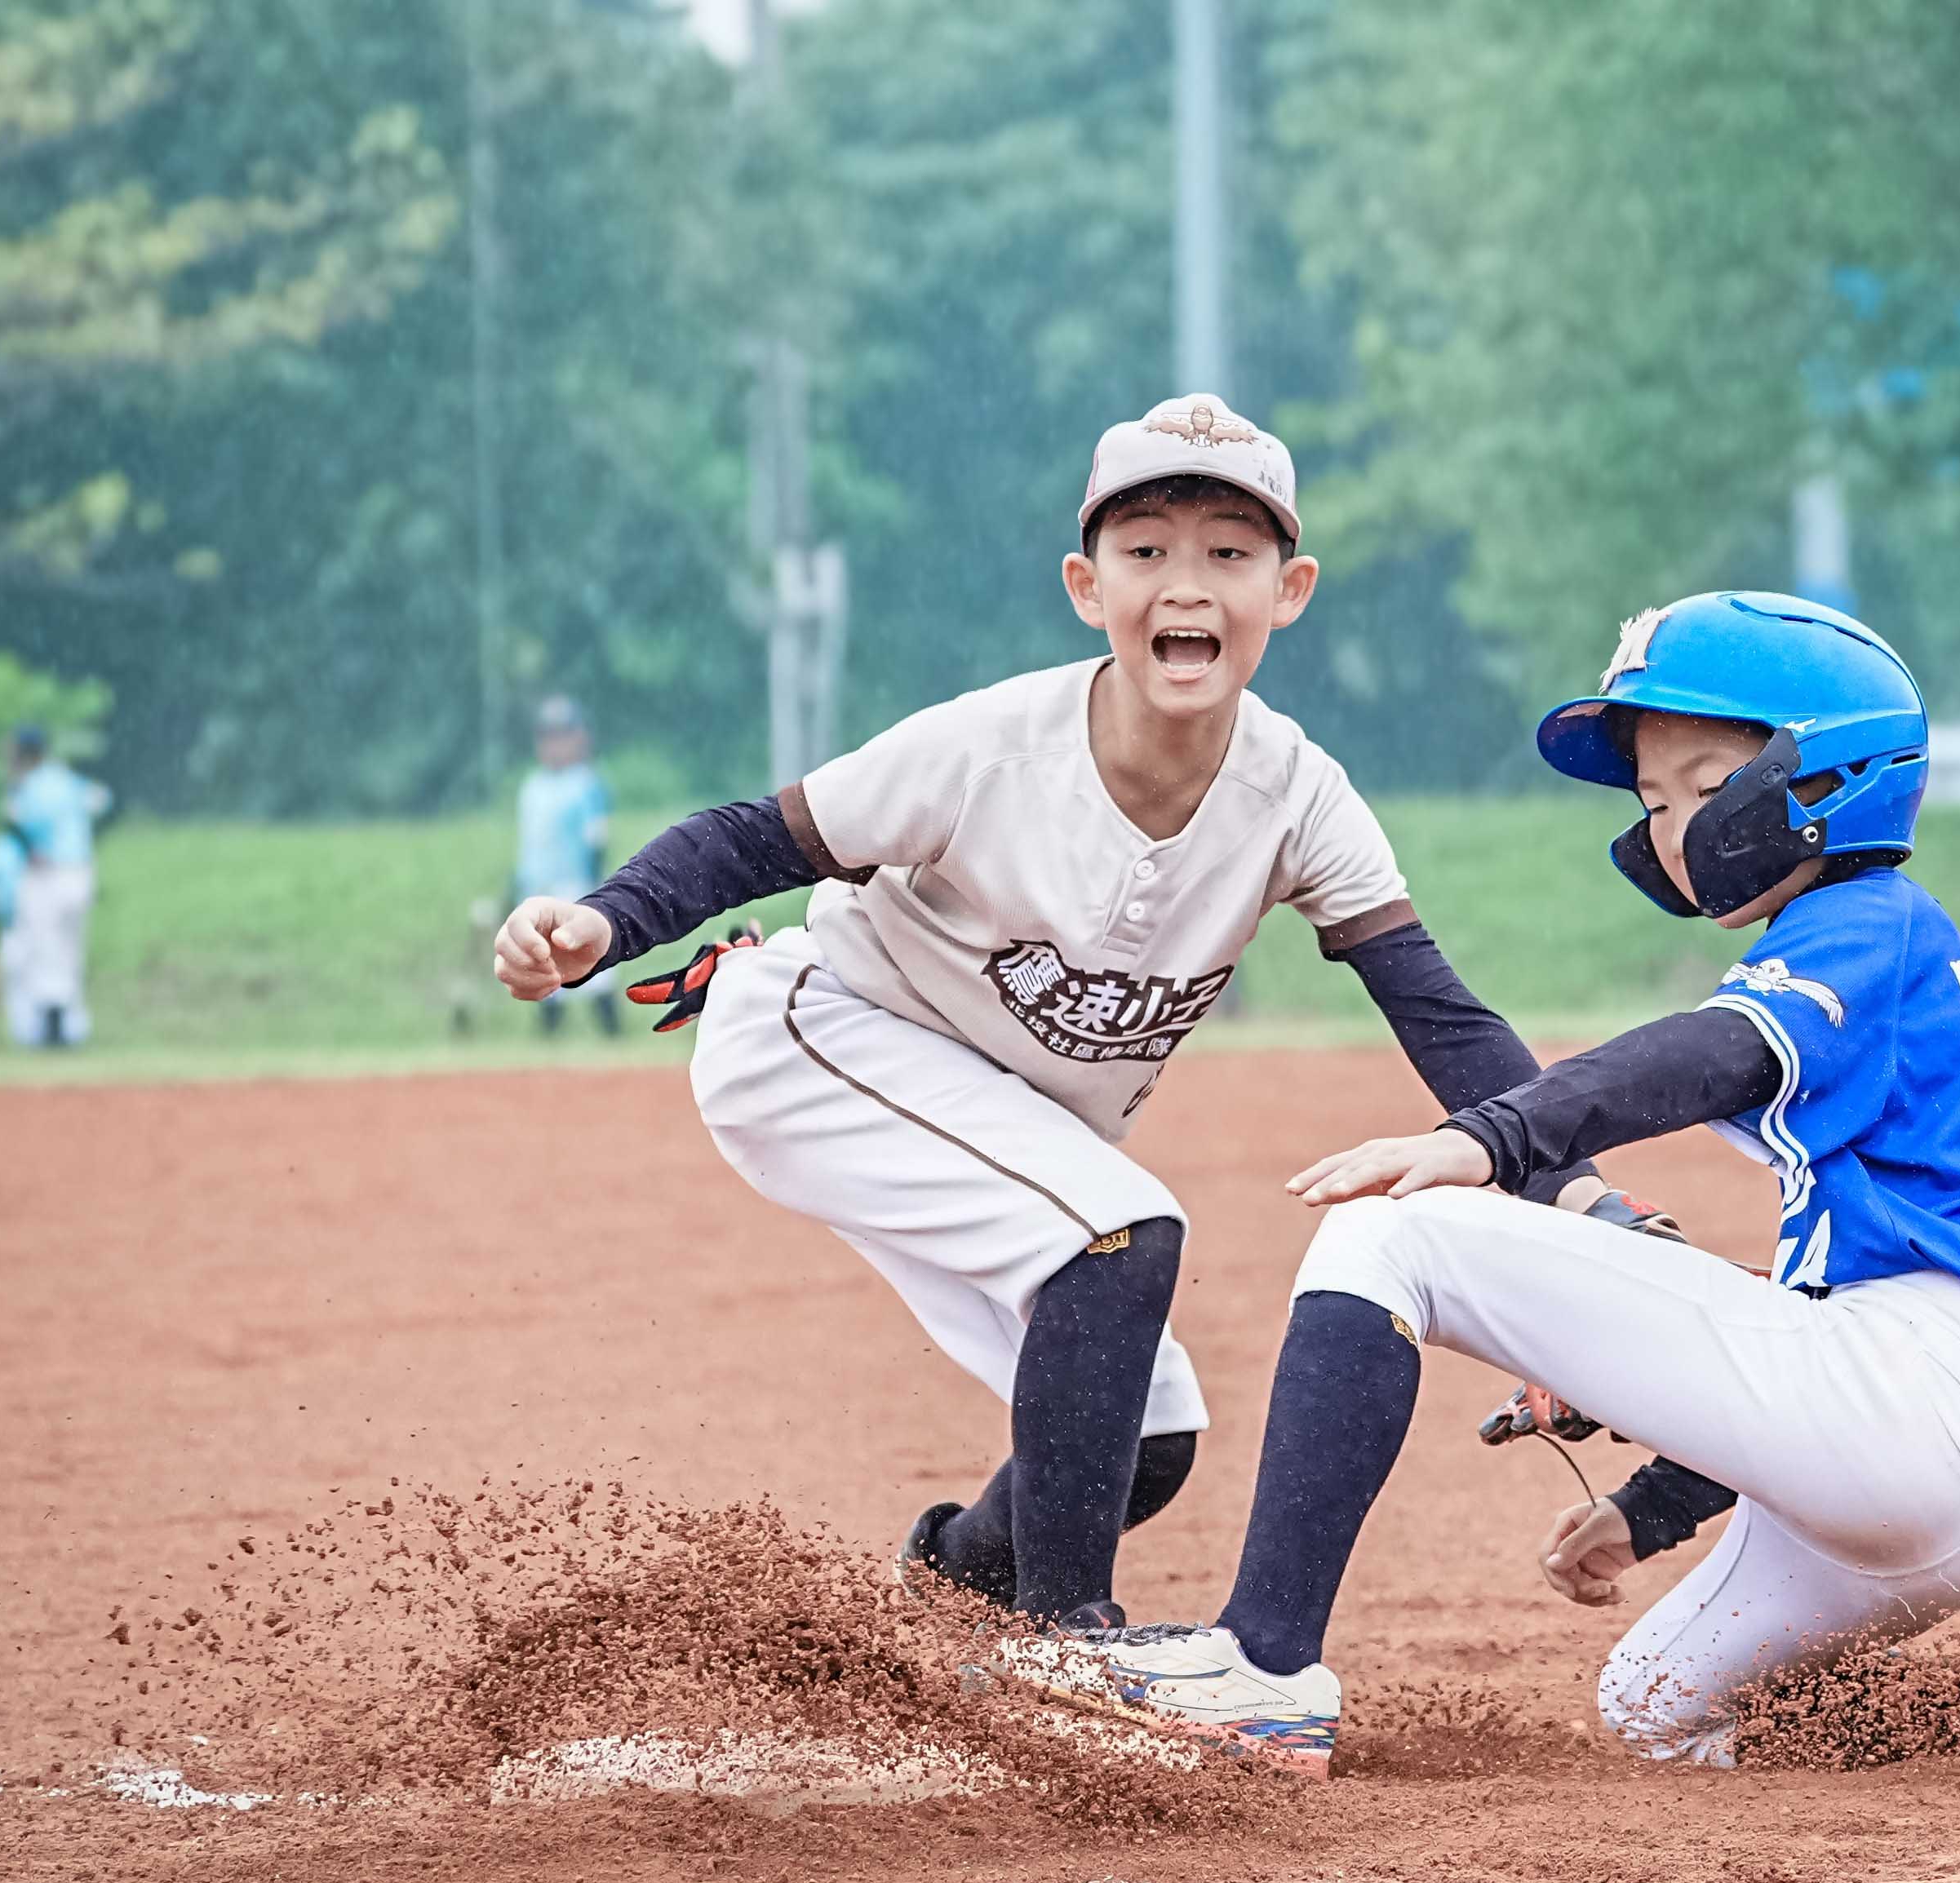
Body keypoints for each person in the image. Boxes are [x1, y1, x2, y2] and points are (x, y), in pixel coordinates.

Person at [490, 392, 1643, 1638]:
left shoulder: (1298, 797)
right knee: (1118, 1234)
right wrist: (603, 922)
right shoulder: (991, 747)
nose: (1185, 584)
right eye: (1145, 550)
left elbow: (1438, 1014)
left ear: (1288, 590)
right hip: (825, 1040)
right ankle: (1067, 1654)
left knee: (1139, 1437)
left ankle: (939, 1602)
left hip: (990, 1108)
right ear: (1087, 587)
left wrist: (1585, 1202)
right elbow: (754, 839)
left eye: (1229, 552)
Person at [1054, 593, 1960, 1777]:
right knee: (1652, 1705)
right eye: (1653, 802)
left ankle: (1259, 1671)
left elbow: (1709, 1054)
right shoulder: (1904, 957)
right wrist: (1649, 1507)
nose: (1668, 828)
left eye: (1701, 784)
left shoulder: (1868, 921)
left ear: (1826, 776)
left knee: (1390, 1234)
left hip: (1923, 1401)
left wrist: (1491, 1138)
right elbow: (1791, 1359)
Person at [0, 724, 112, 1048]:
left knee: (45, 948)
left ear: (23, 753)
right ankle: (71, 1024)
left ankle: (52, 1028)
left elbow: (14, 825)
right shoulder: (67, 779)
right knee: (71, 948)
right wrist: (89, 841)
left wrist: (34, 850)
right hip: (81, 871)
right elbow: (103, 801)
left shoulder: (26, 787)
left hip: (47, 873)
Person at [514, 694, 620, 1037]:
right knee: (543, 963)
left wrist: (595, 888)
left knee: (593, 963)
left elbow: (596, 839)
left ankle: (613, 1034)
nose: (555, 745)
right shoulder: (533, 788)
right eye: (548, 736)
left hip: (577, 885)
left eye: (563, 735)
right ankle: (549, 1039)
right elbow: (529, 845)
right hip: (539, 888)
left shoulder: (587, 784)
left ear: (580, 738)